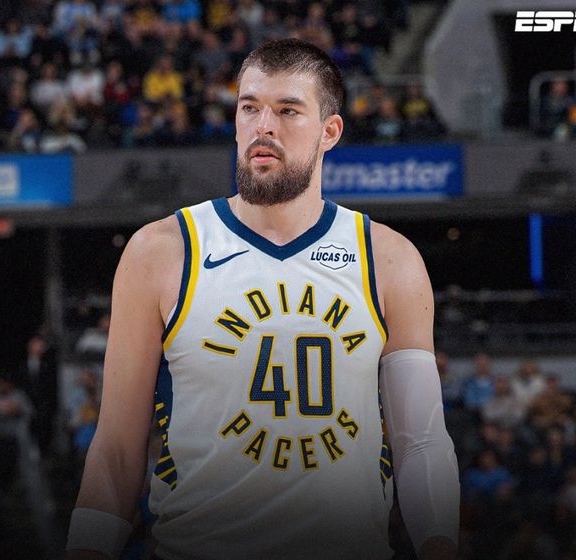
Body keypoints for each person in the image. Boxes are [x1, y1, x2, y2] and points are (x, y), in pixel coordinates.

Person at [66, 38, 459, 560]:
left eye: (287, 110)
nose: (263, 126)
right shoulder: (161, 251)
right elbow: (116, 449)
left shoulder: (388, 258)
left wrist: (439, 544)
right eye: (249, 108)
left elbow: (422, 441)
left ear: (330, 132)